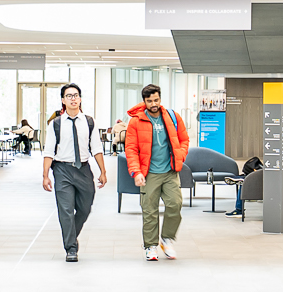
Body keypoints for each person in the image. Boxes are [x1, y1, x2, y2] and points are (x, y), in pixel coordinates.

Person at [41, 84, 109, 262]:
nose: (73, 98)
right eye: (69, 96)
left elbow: (96, 148)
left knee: (85, 208)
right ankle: (71, 248)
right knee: (66, 210)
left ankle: (71, 235)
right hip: (62, 169)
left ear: (80, 99)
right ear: (63, 100)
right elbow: (49, 151)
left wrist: (103, 171)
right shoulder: (55, 124)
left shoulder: (89, 122)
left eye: (76, 95)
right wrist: (45, 175)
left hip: (84, 169)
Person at [124, 84, 189, 261]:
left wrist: (180, 156)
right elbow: (131, 149)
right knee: (149, 210)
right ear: (144, 101)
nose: (153, 104)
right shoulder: (136, 121)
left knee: (175, 204)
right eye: (150, 101)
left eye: (156, 100)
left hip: (170, 171)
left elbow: (184, 140)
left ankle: (167, 239)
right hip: (149, 173)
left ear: (160, 99)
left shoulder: (172, 117)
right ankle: (151, 246)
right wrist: (136, 172)